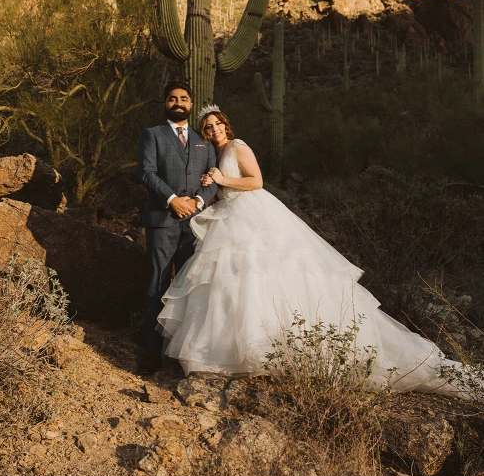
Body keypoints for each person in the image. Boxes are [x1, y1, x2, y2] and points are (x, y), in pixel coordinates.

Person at [157, 105, 471, 397]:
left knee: (265, 275)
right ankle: (229, 351)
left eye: (217, 124)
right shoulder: (212, 152)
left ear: (226, 124)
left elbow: (256, 181)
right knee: (230, 282)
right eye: (208, 127)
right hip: (227, 216)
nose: (214, 129)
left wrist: (223, 178)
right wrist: (210, 187)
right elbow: (220, 191)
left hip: (253, 214)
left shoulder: (238, 146)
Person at [137, 84, 218, 373]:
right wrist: (172, 200)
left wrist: (197, 202)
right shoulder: (153, 135)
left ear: (191, 103)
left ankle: (179, 354)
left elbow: (213, 179)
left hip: (195, 224)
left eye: (183, 98)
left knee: (188, 288)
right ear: (166, 103)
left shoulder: (203, 140)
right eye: (173, 98)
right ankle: (151, 354)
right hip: (162, 219)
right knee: (157, 283)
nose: (178, 102)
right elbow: (146, 172)